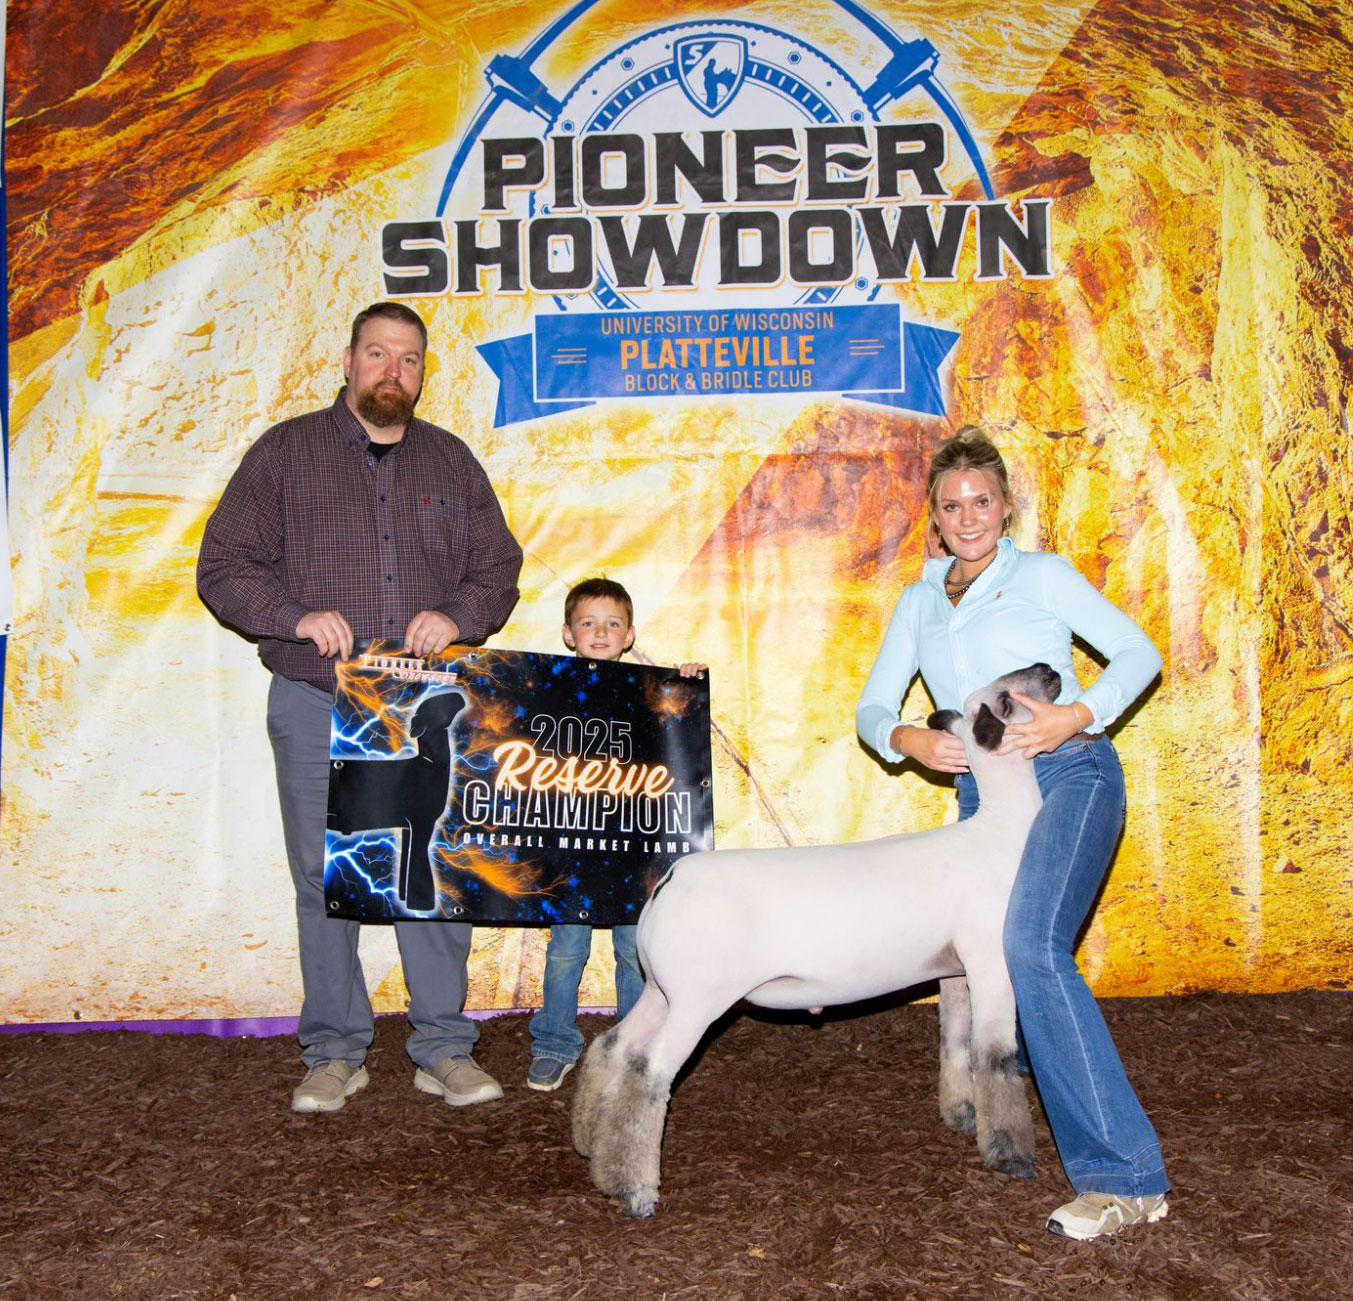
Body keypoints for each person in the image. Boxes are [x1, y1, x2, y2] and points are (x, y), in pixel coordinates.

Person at [197, 301, 523, 1114]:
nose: (392, 371)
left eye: (408, 359)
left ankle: (443, 1046)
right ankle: (334, 1050)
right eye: (377, 353)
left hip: (426, 702)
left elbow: (498, 568)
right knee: (323, 874)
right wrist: (293, 615)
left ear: (422, 373)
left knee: (433, 868)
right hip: (318, 699)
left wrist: (457, 615)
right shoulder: (285, 453)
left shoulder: (451, 462)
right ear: (347, 361)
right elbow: (223, 564)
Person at [855, 426, 1170, 1241]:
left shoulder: (1041, 575)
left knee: (1030, 945)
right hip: (983, 801)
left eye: (981, 501)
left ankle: (1125, 1178)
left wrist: (1077, 713)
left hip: (1070, 772)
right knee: (997, 954)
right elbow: (871, 707)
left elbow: (1137, 653)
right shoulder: (920, 601)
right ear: (933, 516)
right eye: (951, 505)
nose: (968, 517)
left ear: (1004, 508)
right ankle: (1021, 1080)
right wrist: (907, 737)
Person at [526, 577, 706, 1091]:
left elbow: (674, 733)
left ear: (629, 635)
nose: (600, 632)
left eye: (612, 624)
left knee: (634, 950)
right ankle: (554, 1042)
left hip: (632, 849)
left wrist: (685, 682)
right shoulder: (548, 688)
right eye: (588, 623)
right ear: (568, 633)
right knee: (565, 952)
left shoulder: (648, 691)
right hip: (569, 848)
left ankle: (632, 1045)